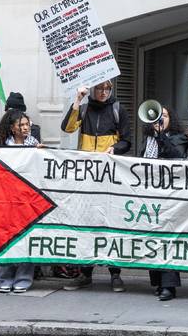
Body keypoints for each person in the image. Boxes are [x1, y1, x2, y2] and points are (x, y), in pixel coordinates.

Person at [60, 80, 131, 291]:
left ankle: (115, 273)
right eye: (99, 88)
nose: (103, 92)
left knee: (110, 223)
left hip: (109, 177)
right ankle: (85, 272)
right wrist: (77, 99)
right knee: (86, 224)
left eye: (107, 89)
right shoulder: (83, 108)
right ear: (92, 89)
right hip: (87, 176)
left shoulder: (118, 109)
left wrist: (115, 149)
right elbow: (67, 128)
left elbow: (127, 140)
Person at [0, 108, 44, 293]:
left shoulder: (34, 144)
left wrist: (41, 153)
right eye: (20, 125)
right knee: (6, 236)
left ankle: (23, 277)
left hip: (27, 198)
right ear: (12, 128)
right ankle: (4, 277)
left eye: (26, 124)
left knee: (25, 236)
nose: (25, 127)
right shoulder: (2, 145)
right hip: (6, 198)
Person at [141, 107, 187, 301]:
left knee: (168, 239)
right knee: (153, 238)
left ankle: (169, 286)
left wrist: (161, 135)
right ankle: (158, 282)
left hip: (170, 195)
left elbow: (175, 155)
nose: (161, 119)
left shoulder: (179, 137)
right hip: (150, 194)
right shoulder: (148, 140)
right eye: (157, 116)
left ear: (172, 119)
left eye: (165, 116)